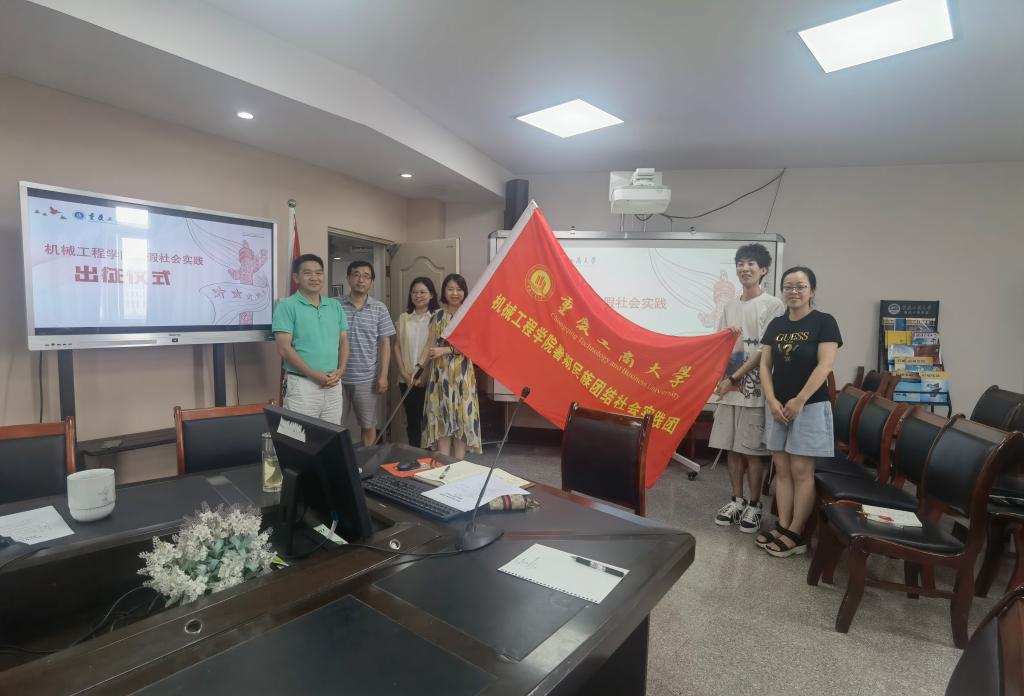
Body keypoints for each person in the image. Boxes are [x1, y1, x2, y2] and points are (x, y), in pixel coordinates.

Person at [757, 266, 842, 558]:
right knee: (781, 470)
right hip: (778, 408)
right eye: (788, 286)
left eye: (800, 286)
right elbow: (765, 364)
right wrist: (771, 400)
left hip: (810, 406)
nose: (793, 291)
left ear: (812, 290)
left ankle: (797, 533)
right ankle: (783, 525)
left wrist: (800, 400)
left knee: (801, 472)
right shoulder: (777, 324)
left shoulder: (824, 322)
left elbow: (825, 365)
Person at [710, 244, 786, 533]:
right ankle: (736, 500)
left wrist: (734, 377)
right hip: (729, 387)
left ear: (763, 269)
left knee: (752, 450)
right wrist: (719, 377)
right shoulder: (729, 306)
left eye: (751, 263)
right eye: (740, 263)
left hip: (754, 388)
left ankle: (754, 505)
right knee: (731, 447)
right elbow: (720, 344)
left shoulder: (773, 305)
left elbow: (764, 350)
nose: (745, 268)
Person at [272, 254, 349, 424]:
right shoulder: (287, 305)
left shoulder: (334, 305)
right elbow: (284, 349)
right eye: (307, 273)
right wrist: (314, 375)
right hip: (302, 385)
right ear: (296, 278)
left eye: (319, 273)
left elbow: (343, 341)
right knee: (299, 436)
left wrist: (341, 370)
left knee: (331, 434)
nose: (314, 277)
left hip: (333, 384)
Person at [420, 273, 482, 458]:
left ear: (464, 292)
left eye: (459, 289)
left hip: (462, 375)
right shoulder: (437, 315)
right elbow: (429, 345)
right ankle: (444, 462)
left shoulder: (469, 314)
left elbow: (472, 346)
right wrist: (418, 367)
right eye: (450, 289)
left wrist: (445, 350)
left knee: (462, 419)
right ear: (444, 291)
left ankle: (459, 463)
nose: (455, 293)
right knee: (442, 418)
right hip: (440, 375)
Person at [340, 260, 396, 447]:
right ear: (348, 278)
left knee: (368, 425)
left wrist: (383, 376)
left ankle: (368, 462)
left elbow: (385, 343)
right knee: (332, 425)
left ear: (371, 282)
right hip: (336, 378)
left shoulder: (379, 308)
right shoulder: (334, 305)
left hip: (366, 379)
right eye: (356, 275)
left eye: (366, 276)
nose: (361, 280)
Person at [393, 277, 439, 447]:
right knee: (412, 421)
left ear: (431, 295)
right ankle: (415, 455)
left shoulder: (437, 317)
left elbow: (434, 348)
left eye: (422, 292)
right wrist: (405, 375)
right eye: (414, 292)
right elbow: (397, 347)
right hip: (407, 379)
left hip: (431, 379)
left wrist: (424, 375)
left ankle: (431, 457)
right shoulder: (404, 318)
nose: (418, 296)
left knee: (431, 421)